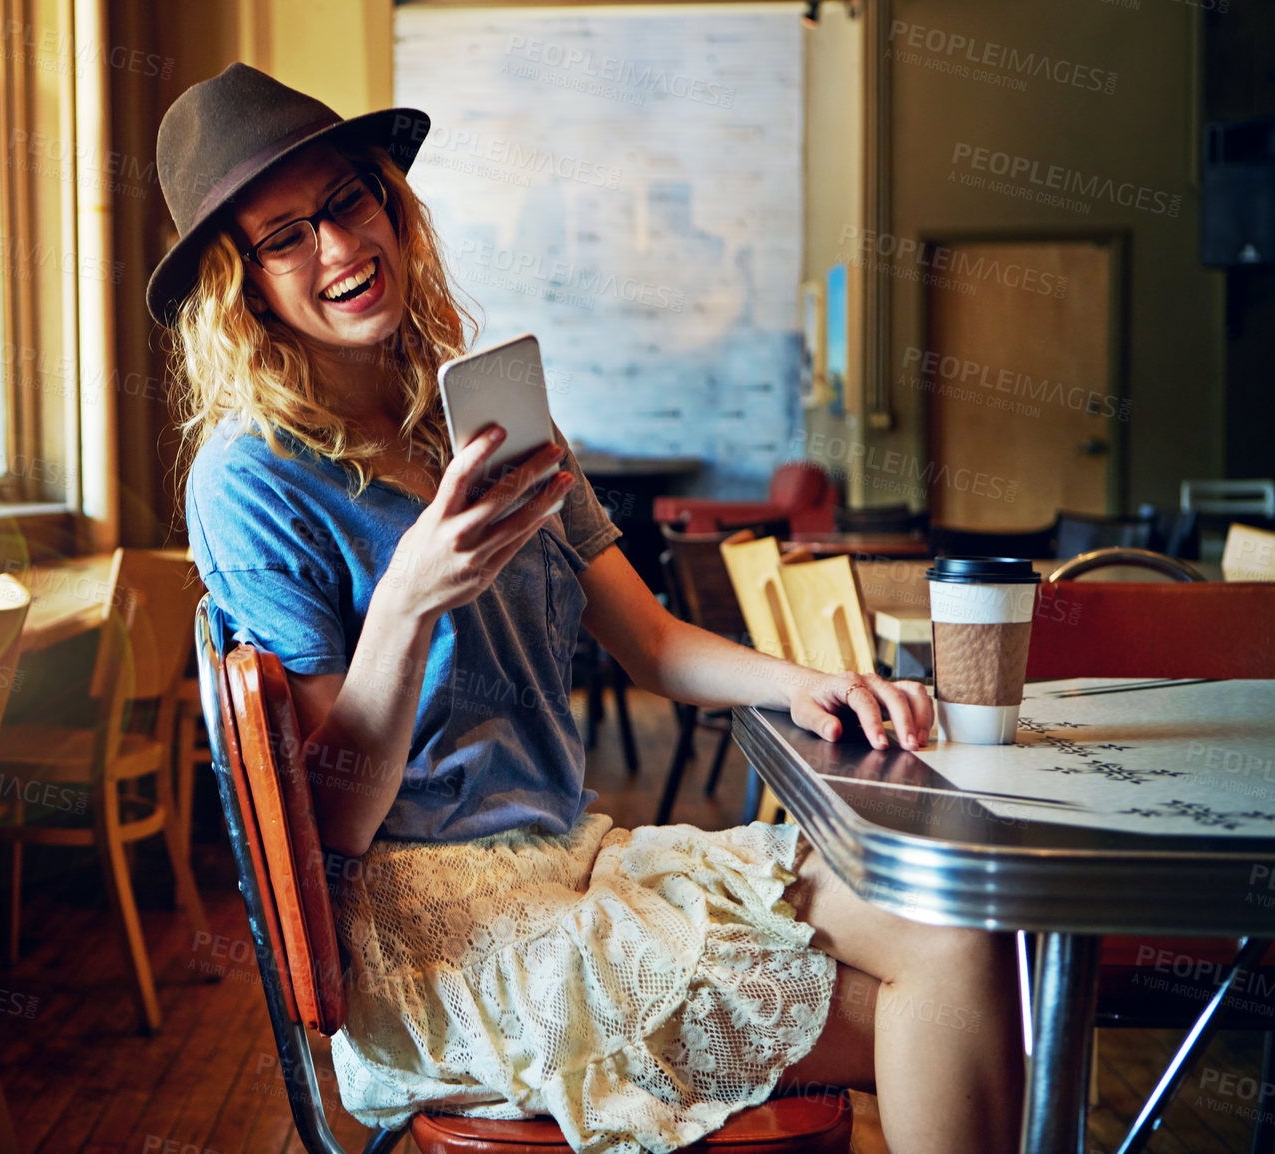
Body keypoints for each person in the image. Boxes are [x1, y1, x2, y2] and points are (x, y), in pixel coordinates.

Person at [154, 64, 1022, 1154]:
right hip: (435, 935)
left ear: (388, 203)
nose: (336, 248)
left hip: (569, 861)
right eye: (283, 237)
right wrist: (410, 601)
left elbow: (650, 640)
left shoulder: (476, 411)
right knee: (931, 981)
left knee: (964, 927)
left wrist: (811, 680)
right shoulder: (250, 476)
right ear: (242, 285)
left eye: (346, 202)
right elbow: (332, 818)